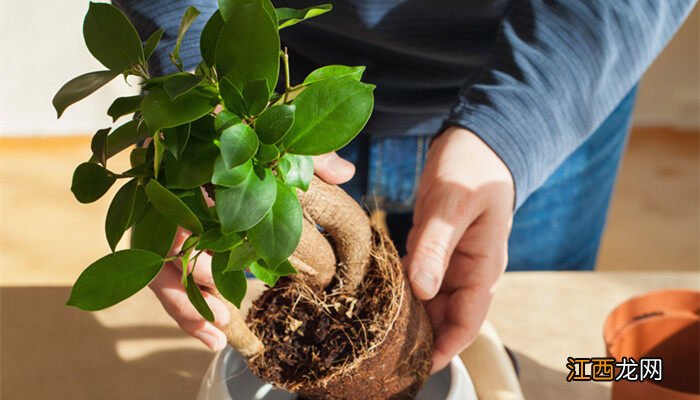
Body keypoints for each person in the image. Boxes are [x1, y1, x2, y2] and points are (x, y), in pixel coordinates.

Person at [113, 0, 696, 372]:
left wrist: (512, 130)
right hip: (273, 96)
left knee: (530, 352)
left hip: (552, 80)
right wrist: (194, 108)